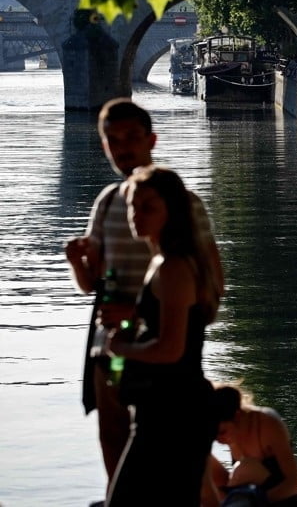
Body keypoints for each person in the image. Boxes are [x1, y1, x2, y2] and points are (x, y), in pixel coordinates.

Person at [64, 99, 222, 492]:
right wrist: (76, 262)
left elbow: (211, 284)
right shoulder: (107, 201)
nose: (123, 147)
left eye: (132, 137)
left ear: (151, 139)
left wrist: (135, 316)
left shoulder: (182, 202)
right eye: (113, 140)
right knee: (114, 432)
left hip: (156, 348)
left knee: (170, 449)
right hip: (112, 349)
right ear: (104, 146)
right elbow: (93, 284)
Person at [105, 166, 222, 506]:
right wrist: (136, 316)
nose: (136, 215)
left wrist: (122, 347)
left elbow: (172, 349)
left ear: (172, 211)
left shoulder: (173, 267)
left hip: (174, 411)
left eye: (148, 207)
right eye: (133, 206)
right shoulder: (163, 261)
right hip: (165, 407)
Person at [204, 385, 297, 507]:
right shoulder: (226, 428)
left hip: (282, 500)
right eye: (213, 434)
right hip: (244, 497)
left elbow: (295, 485)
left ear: (237, 416)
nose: (218, 440)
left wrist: (256, 500)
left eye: (222, 432)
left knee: (247, 468)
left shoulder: (268, 423)